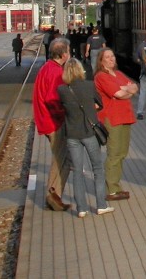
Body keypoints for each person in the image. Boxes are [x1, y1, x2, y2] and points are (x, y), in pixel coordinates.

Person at [58, 59, 114, 218]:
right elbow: (99, 104)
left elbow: (64, 107)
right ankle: (101, 206)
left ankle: (81, 208)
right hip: (89, 133)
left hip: (72, 135)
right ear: (79, 70)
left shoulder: (62, 90)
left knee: (77, 171)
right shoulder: (89, 86)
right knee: (97, 168)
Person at [31, 38, 72, 211]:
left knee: (61, 157)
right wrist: (65, 113)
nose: (70, 54)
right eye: (69, 51)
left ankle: (54, 194)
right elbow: (52, 99)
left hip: (45, 120)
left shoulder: (46, 67)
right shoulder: (56, 72)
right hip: (54, 122)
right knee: (62, 159)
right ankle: (54, 194)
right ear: (64, 54)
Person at [93, 48, 138, 201]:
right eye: (107, 57)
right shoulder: (101, 76)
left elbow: (135, 88)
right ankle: (111, 189)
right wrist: (126, 90)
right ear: (101, 61)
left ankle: (115, 186)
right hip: (112, 118)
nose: (111, 59)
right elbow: (118, 94)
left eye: (112, 56)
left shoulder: (118, 74)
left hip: (125, 117)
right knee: (114, 154)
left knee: (123, 152)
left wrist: (126, 89)